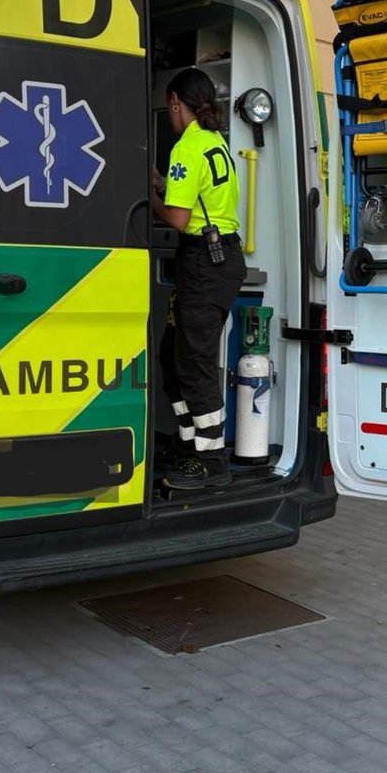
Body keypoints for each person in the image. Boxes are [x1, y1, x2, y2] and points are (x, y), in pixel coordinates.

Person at [152, 68, 247, 490]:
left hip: (204, 263)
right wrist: (162, 184)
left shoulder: (187, 148)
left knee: (194, 362)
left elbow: (177, 217)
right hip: (216, 260)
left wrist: (151, 197)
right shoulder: (214, 142)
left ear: (175, 102)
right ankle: (189, 444)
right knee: (172, 356)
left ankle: (211, 461)